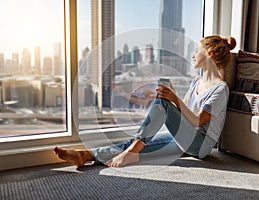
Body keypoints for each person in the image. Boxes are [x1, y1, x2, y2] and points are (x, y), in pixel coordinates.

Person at [54, 35, 237, 167]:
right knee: (140, 141)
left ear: (210, 54)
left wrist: (173, 99)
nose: (193, 54)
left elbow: (197, 121)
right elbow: (185, 111)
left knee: (160, 109)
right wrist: (172, 94)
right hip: (186, 136)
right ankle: (86, 155)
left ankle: (131, 152)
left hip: (201, 145)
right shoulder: (198, 81)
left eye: (197, 50)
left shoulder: (220, 89)